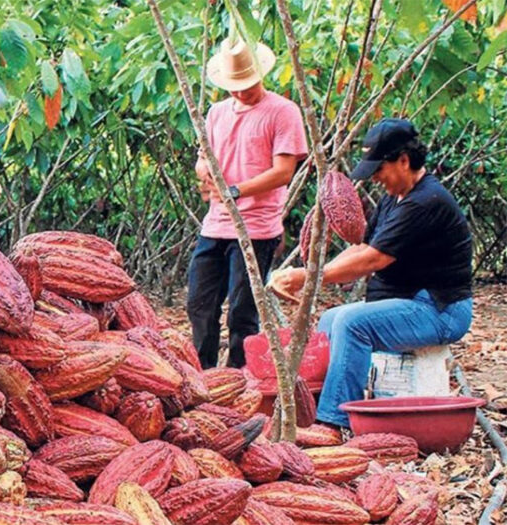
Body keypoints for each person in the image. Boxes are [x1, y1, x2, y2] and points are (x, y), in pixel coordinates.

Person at [269, 118, 473, 429]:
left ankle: (332, 424)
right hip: (410, 302)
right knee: (331, 320)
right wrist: (310, 272)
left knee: (353, 324)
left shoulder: (425, 202)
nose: (376, 178)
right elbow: (363, 248)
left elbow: (373, 260)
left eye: (379, 169)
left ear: (404, 161)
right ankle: (312, 408)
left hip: (440, 310)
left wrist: (309, 278)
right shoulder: (395, 199)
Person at [187, 37, 309, 369]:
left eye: (246, 85)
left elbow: (283, 171)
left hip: (257, 226)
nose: (240, 92)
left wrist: (236, 191)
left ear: (259, 74)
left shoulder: (283, 111)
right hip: (216, 225)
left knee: (242, 313)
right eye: (234, 87)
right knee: (199, 305)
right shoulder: (215, 113)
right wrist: (206, 174)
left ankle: (239, 380)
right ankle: (205, 377)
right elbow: (202, 159)